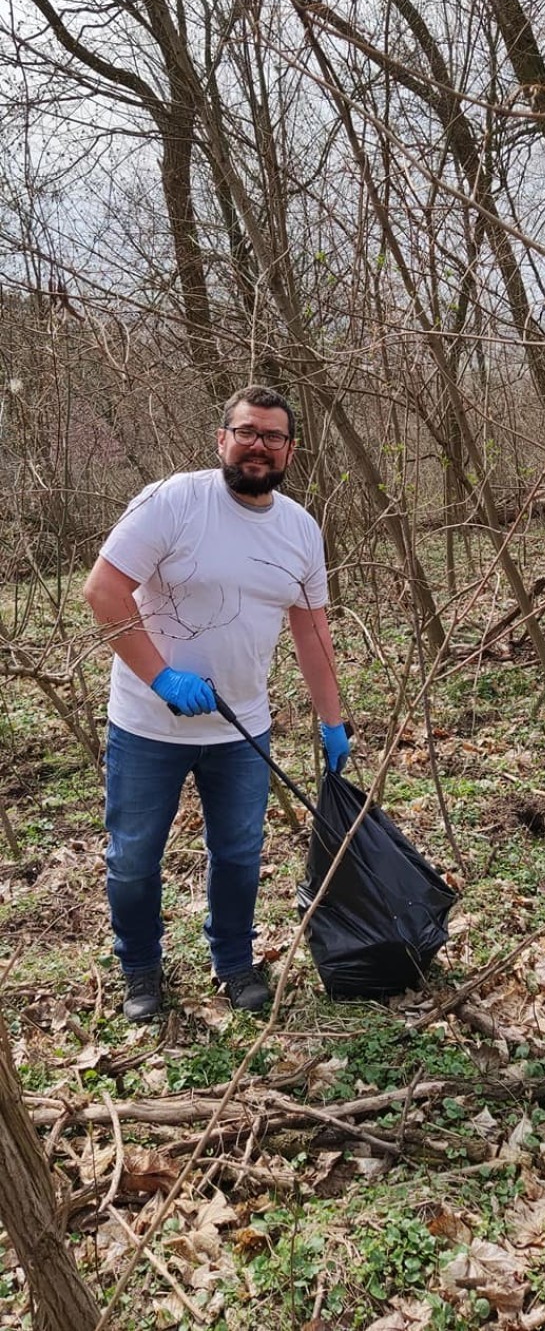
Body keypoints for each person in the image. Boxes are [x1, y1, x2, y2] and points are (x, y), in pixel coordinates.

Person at [83, 385, 350, 1022]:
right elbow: (104, 591)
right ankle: (140, 968)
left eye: (273, 436)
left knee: (237, 853)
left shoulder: (299, 530)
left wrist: (332, 721)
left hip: (242, 730)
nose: (259, 445)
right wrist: (162, 678)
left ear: (289, 451)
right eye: (248, 431)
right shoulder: (175, 501)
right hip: (148, 726)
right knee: (134, 857)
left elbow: (311, 632)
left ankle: (233, 961)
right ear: (222, 439)